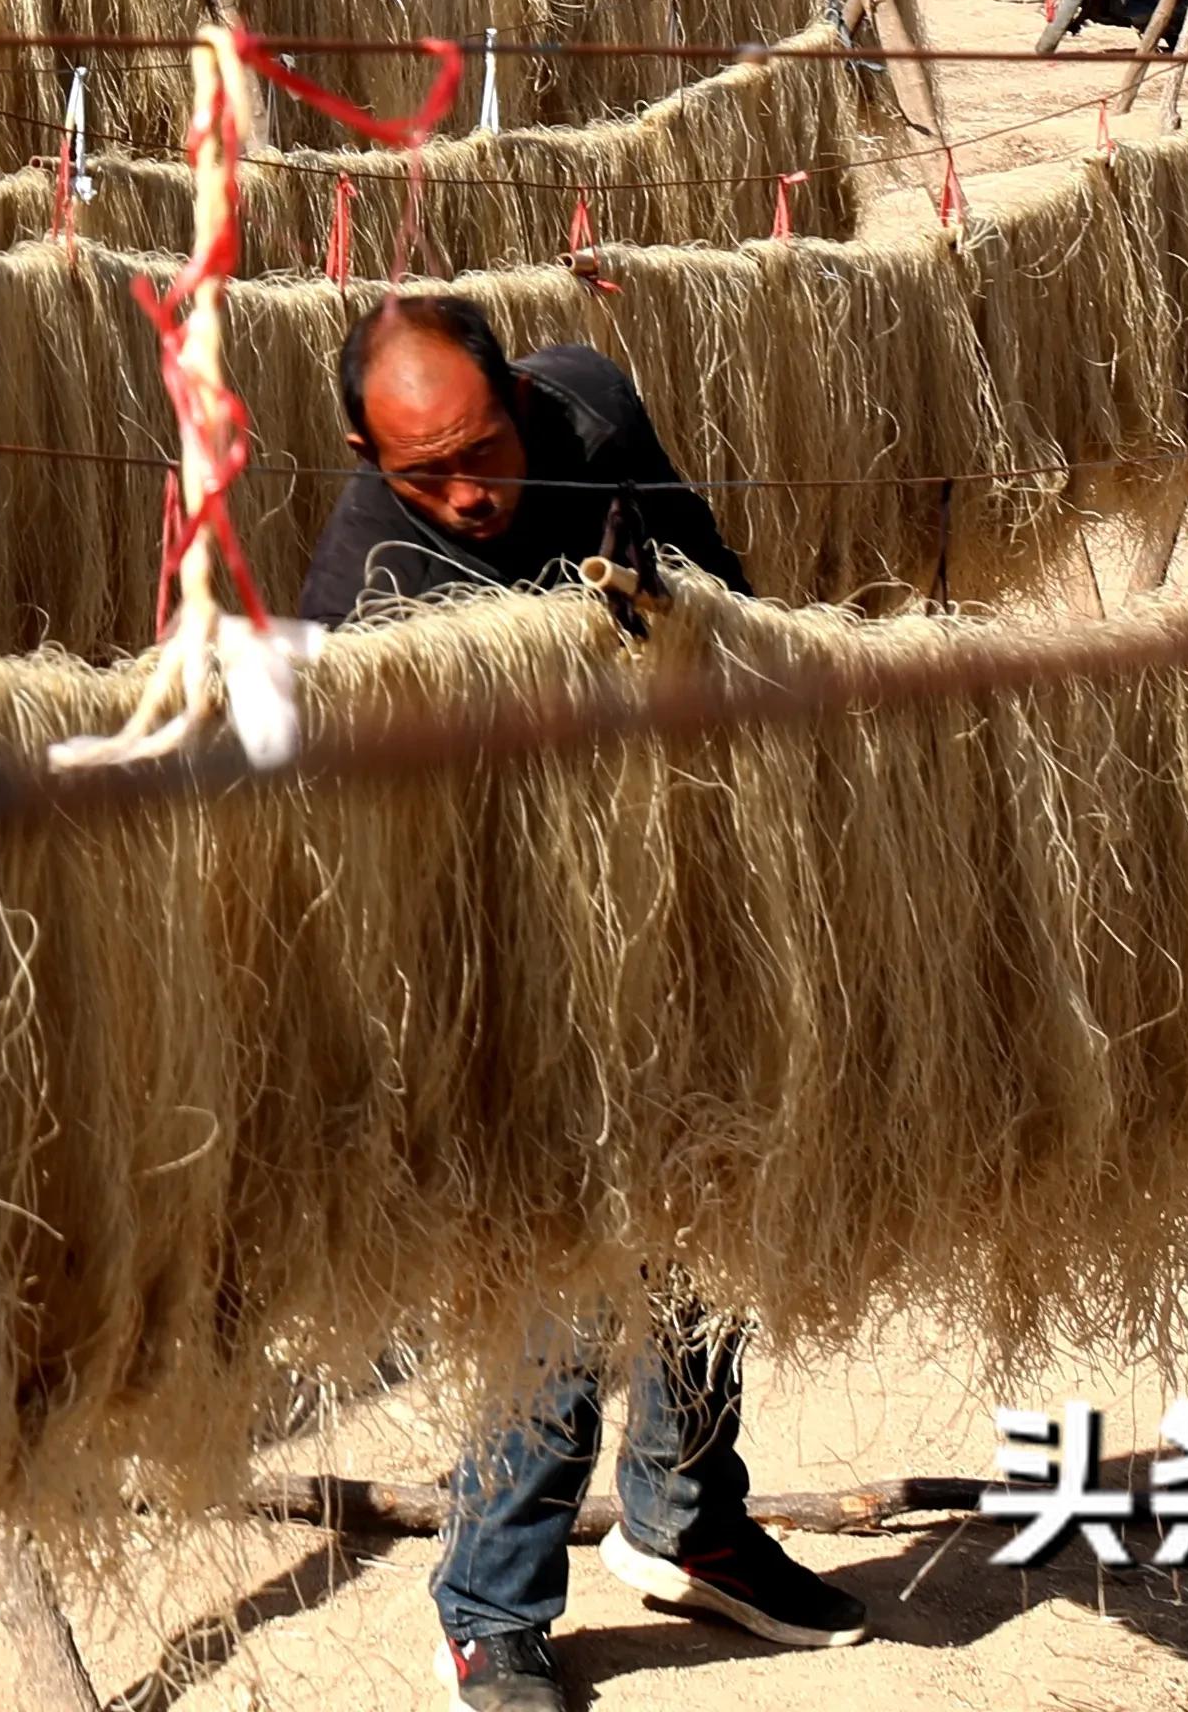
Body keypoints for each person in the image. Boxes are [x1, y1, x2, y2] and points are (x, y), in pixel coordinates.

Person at [299, 300, 872, 1695]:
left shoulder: (595, 412)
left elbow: (730, 585)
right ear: (363, 452)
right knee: (556, 1282)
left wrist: (674, 620)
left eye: (484, 450)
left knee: (718, 1219)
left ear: (521, 400)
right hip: (511, 954)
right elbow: (358, 834)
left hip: (681, 891)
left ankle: (688, 1522)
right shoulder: (367, 580)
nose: (467, 493)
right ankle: (491, 1611)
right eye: (422, 472)